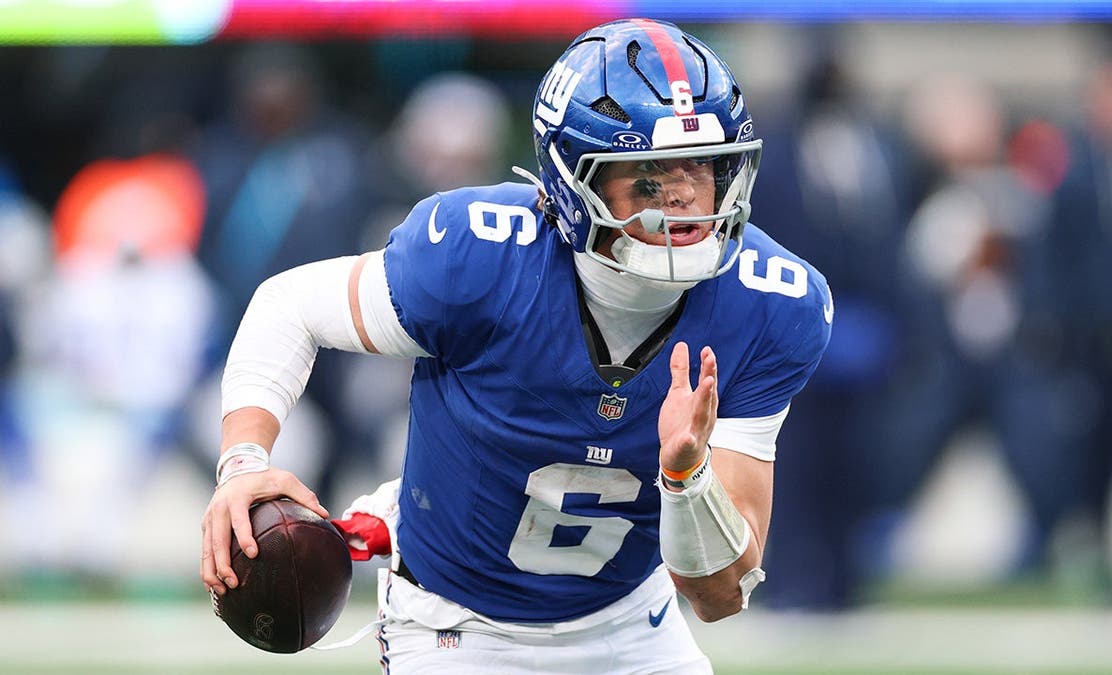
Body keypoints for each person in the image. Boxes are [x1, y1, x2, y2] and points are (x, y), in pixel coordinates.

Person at [201, 19, 832, 673]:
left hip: (632, 628)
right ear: (570, 184)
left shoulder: (770, 302)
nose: (679, 202)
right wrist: (244, 462)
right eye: (646, 180)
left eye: (697, 171)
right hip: (458, 625)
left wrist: (684, 476)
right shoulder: (480, 257)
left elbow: (719, 593)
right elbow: (289, 305)